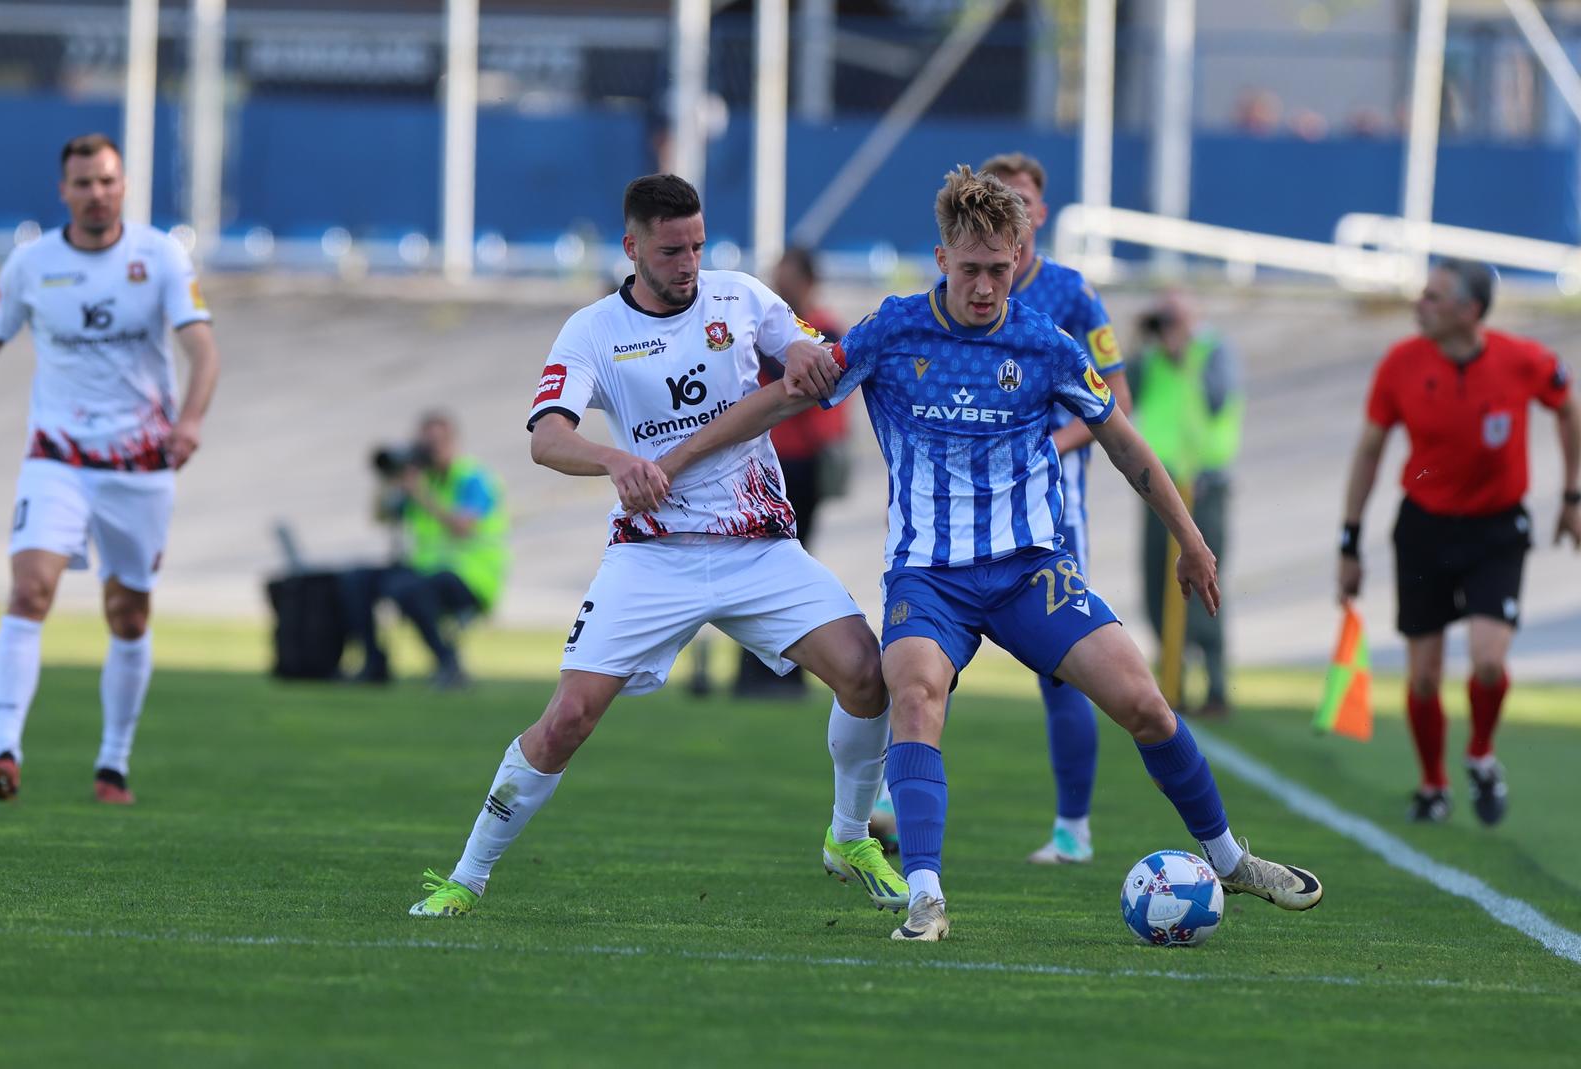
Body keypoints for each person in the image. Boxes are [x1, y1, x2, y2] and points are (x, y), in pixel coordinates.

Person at [657, 166, 1322, 941]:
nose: (984, 287)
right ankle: (925, 895)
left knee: (1143, 702)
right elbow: (785, 398)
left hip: (1028, 571)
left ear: (1019, 258)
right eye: (970, 269)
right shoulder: (893, 330)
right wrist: (675, 462)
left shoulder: (1044, 343)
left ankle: (1228, 858)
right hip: (929, 576)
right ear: (942, 259)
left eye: (999, 270)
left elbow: (1123, 441)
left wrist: (1192, 540)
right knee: (913, 695)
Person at [407, 174, 906, 918]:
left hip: (758, 548)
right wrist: (615, 461)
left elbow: (805, 349)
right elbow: (548, 437)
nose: (689, 264)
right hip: (652, 554)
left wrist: (806, 353)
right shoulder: (591, 332)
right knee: (569, 717)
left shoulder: (740, 297)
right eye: (672, 250)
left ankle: (846, 835)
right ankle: (465, 877)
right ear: (632, 246)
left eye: (698, 246)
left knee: (868, 674)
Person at [0, 133, 222, 804]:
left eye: (107, 182)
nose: (96, 194)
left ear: (123, 187)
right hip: (55, 457)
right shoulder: (31, 264)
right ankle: (4, 750)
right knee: (29, 590)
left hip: (139, 464)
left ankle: (112, 763)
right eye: (83, 183)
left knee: (129, 614)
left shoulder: (160, 256)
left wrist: (191, 420)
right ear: (64, 191)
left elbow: (202, 350)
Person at [1338, 258, 1578, 825]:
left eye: (1434, 297)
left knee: (1488, 662)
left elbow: (1568, 408)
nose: (1419, 304)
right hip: (1424, 528)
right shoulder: (1400, 364)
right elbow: (1370, 451)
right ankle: (1433, 785)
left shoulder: (1523, 360)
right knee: (1423, 674)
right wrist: (1349, 541)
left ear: (1469, 311)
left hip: (1497, 529)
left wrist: (1571, 496)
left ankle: (1480, 756)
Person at [979, 151, 1134, 866]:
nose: (1013, 209)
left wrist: (1043, 438)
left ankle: (1074, 827)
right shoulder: (961, 288)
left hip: (1052, 511)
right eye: (998, 197)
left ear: (1039, 213)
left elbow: (1117, 406)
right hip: (968, 505)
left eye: (1023, 200)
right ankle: (887, 795)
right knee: (927, 645)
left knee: (1064, 662)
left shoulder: (1072, 294)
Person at [732, 246, 852, 698]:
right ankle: (758, 669)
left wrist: (831, 451)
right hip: (763, 460)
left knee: (791, 562)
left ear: (807, 280)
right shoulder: (766, 328)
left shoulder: (821, 327)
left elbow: (823, 391)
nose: (780, 287)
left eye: (787, 278)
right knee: (754, 563)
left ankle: (788, 670)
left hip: (801, 461)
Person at [1129, 289, 1243, 718]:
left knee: (1205, 582)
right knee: (1157, 585)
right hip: (1161, 489)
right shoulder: (1150, 357)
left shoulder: (1213, 353)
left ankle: (1215, 685)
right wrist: (1143, 340)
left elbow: (1218, 400)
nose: (1168, 327)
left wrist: (1185, 352)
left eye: (1174, 317)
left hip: (1205, 486)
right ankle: (1171, 680)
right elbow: (1123, 392)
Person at [340, 411, 508, 690]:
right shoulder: (420, 479)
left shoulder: (473, 478)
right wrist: (388, 479)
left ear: (453, 442)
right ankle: (373, 664)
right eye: (424, 444)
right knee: (356, 580)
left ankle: (448, 664)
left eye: (436, 444)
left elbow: (463, 527)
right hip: (424, 570)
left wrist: (420, 493)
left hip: (472, 576)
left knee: (408, 589)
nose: (430, 451)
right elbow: (380, 517)